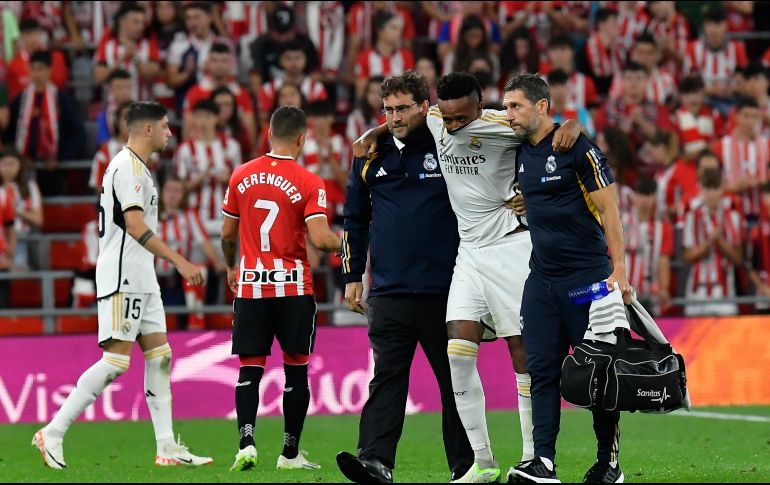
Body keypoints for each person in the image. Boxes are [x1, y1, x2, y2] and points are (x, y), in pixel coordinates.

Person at [350, 71, 582, 483]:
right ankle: (482, 462)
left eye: (462, 119)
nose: (454, 128)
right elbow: (401, 117)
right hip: (468, 255)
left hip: (510, 247)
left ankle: (533, 458)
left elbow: (545, 135)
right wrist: (375, 131)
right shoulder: (436, 119)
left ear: (480, 107)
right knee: (457, 349)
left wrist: (572, 126)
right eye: (449, 118)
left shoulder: (501, 123)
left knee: (522, 353)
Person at [32, 101, 212, 469]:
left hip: (142, 276)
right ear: (147, 129)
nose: (169, 132)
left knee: (160, 357)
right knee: (115, 362)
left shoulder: (139, 167)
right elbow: (134, 225)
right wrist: (178, 260)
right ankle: (53, 430)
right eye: (164, 126)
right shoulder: (128, 167)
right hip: (122, 275)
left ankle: (167, 447)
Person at [336, 72, 474, 484]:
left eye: (403, 108)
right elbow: (354, 218)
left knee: (456, 385)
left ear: (424, 108)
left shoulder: (449, 143)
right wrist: (352, 274)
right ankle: (376, 462)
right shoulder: (369, 155)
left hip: (445, 289)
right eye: (388, 110)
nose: (395, 117)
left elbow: (484, 120)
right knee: (387, 379)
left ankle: (467, 466)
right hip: (390, 291)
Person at [505, 74, 630, 483]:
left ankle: (608, 463)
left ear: (542, 107)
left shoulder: (577, 146)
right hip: (541, 281)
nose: (508, 115)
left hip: (588, 279)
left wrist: (620, 272)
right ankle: (544, 462)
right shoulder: (518, 146)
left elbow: (610, 210)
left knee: (598, 374)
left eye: (516, 107)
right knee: (541, 370)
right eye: (506, 107)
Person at [221, 106, 341, 472]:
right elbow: (320, 239)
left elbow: (228, 234)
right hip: (293, 289)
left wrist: (231, 266)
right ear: (302, 139)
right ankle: (290, 453)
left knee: (249, 369)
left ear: (269, 133)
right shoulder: (309, 180)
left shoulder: (240, 175)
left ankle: (246, 442)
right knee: (296, 371)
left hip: (252, 286)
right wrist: (352, 242)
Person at [682, 168, 744, 317]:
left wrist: (720, 242)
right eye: (708, 188)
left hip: (725, 294)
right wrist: (707, 244)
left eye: (715, 188)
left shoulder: (733, 216)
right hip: (697, 293)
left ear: (722, 189)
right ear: (702, 189)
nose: (712, 194)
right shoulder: (692, 216)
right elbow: (686, 257)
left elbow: (738, 258)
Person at [624, 177, 675, 313]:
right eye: (641, 194)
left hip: (652, 293)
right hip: (624, 290)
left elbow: (664, 260)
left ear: (654, 198)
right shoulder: (621, 223)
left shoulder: (663, 227)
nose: (644, 200)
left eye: (648, 195)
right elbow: (611, 257)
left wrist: (664, 288)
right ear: (634, 196)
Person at [0, 150, 43, 270]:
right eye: (4, 164)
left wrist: (17, 210)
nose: (8, 169)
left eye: (12, 164)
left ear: (19, 166)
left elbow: (39, 219)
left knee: (17, 278)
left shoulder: (29, 187)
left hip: (21, 239)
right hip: (0, 240)